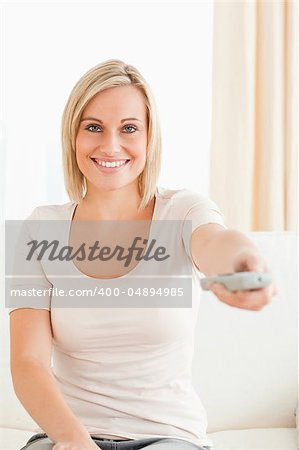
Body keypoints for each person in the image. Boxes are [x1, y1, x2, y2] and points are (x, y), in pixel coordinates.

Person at [9, 59, 277, 450]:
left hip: (169, 437)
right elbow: (27, 363)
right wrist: (73, 440)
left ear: (150, 138)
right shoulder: (39, 228)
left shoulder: (183, 210)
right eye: (94, 127)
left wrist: (244, 263)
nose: (110, 145)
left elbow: (218, 243)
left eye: (129, 128)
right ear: (73, 136)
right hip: (69, 437)